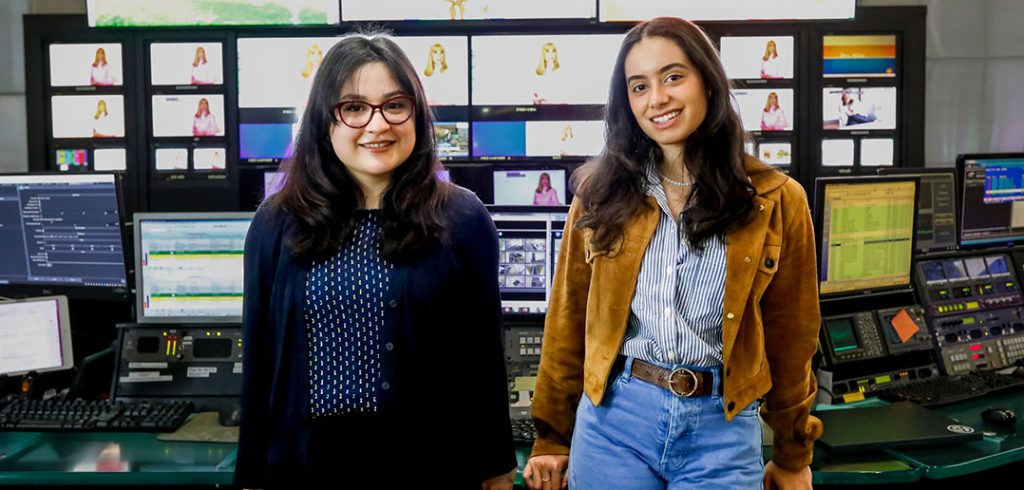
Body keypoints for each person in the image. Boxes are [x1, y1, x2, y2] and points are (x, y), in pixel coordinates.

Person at [523, 17, 821, 490]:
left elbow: (793, 338)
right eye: (638, 86)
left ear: (708, 81)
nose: (656, 98)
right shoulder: (599, 195)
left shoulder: (776, 200)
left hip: (721, 427)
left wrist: (792, 453)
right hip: (614, 422)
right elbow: (567, 321)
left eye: (673, 77)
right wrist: (552, 437)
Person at [236, 33, 517, 490]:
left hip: (431, 467)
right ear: (325, 120)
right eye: (354, 108)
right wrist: (251, 475)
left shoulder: (462, 217)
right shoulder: (276, 223)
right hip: (306, 469)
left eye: (394, 104)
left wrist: (498, 469)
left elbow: (483, 360)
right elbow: (260, 361)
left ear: (417, 114)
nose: (377, 124)